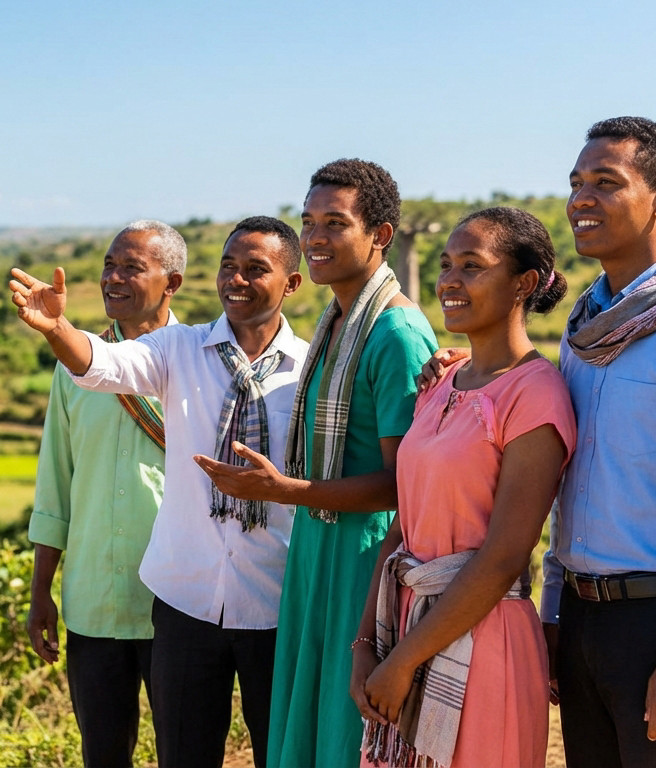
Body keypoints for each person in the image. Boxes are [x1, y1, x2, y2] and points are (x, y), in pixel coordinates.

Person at [423, 117, 656, 767]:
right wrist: (558, 611)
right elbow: (575, 480)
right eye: (575, 184)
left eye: (605, 183)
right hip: (586, 620)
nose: (580, 200)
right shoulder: (585, 325)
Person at [10, 216, 309, 768]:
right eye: (227, 267)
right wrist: (57, 330)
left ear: (291, 283)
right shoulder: (181, 350)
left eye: (254, 270)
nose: (236, 280)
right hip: (182, 600)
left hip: (274, 598)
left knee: (281, 753)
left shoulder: (311, 370)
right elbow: (97, 366)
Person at [195, 158, 437, 768]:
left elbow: (405, 487)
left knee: (343, 733)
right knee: (310, 725)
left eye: (336, 222)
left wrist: (286, 491)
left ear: (380, 236)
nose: (316, 238)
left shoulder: (395, 334)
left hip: (363, 558)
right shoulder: (336, 321)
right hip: (319, 550)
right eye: (309, 222)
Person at [355, 206, 575, 768]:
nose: (450, 280)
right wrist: (367, 647)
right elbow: (402, 530)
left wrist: (402, 661)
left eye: (472, 266)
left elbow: (503, 558)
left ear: (524, 283)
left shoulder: (535, 395)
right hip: (408, 623)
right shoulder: (440, 383)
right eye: (447, 264)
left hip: (482, 639)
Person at [25, 219, 186, 767]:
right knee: (103, 754)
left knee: (184, 751)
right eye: (108, 267)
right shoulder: (72, 366)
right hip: (92, 601)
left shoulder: (203, 361)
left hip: (177, 603)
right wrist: (41, 589)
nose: (113, 278)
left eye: (132, 267)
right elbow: (56, 482)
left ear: (173, 283)